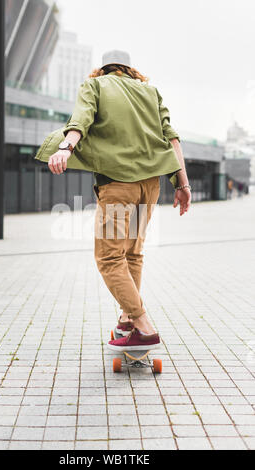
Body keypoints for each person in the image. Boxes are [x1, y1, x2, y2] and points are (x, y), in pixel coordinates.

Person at [47, 50, 191, 352]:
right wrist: (183, 183)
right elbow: (172, 139)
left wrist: (65, 148)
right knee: (133, 255)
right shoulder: (150, 91)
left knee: (110, 257)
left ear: (103, 68)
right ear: (129, 68)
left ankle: (143, 325)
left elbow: (81, 120)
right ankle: (127, 321)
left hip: (119, 184)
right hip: (151, 186)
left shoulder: (95, 86)